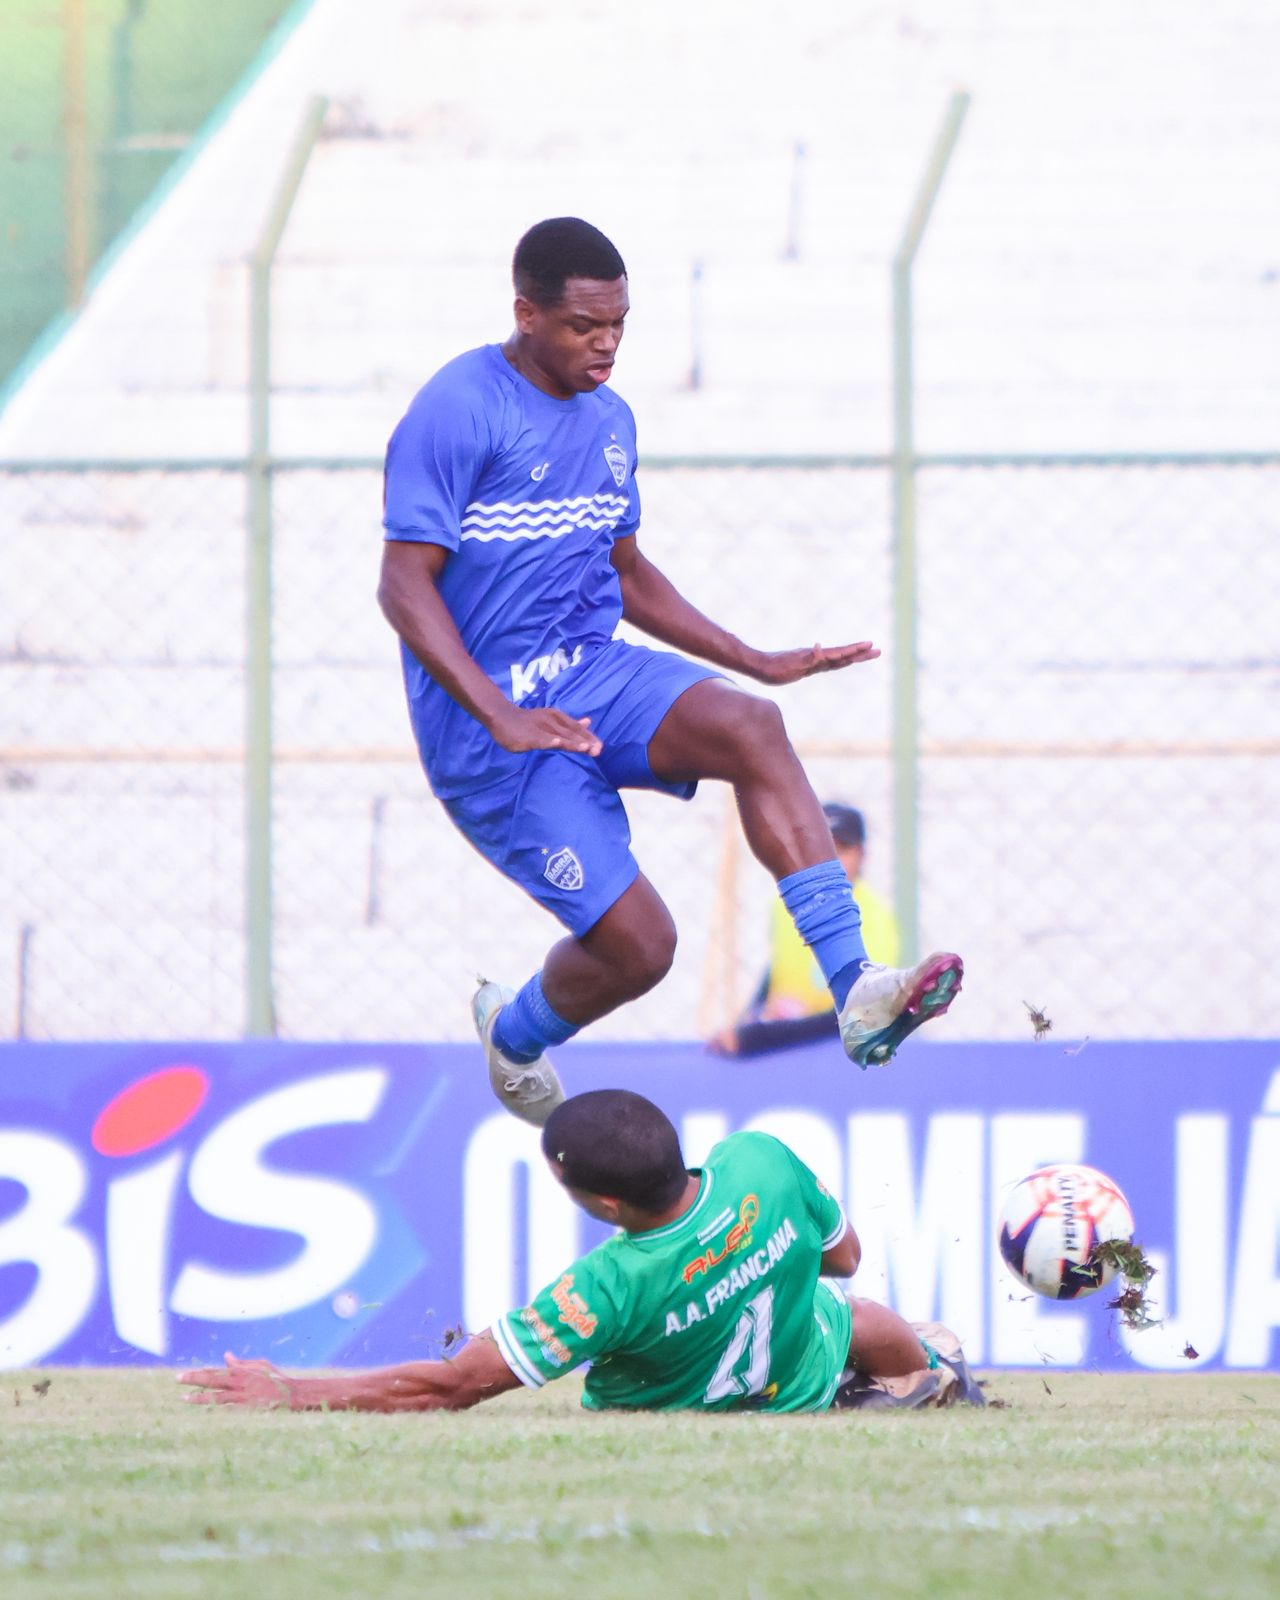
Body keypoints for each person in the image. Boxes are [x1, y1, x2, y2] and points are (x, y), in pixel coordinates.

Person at [377, 216, 962, 1126]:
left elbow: (626, 573)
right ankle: (516, 1037)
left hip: (592, 674)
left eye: (619, 324)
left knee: (751, 726)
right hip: (492, 737)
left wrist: (753, 659)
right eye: (583, 326)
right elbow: (401, 585)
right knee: (644, 949)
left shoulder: (611, 422)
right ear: (526, 314)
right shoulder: (458, 410)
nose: (606, 344)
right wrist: (498, 712)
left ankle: (854, 989)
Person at [180, 1089, 984, 1415]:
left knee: (849, 1318)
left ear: (604, 1205)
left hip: (691, 1409)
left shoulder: (606, 1285)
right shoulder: (761, 1160)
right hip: (796, 1378)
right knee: (861, 1315)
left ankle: (901, 1382)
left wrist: (294, 1391)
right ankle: (923, 1382)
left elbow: (452, 1386)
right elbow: (843, 1258)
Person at [711, 802, 901, 1057]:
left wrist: (760, 1037)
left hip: (834, 1052)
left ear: (861, 855)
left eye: (841, 850)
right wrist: (748, 1021)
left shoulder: (875, 916)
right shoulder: (785, 907)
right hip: (781, 1051)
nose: (831, 860)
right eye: (821, 849)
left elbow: (867, 1012)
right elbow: (776, 973)